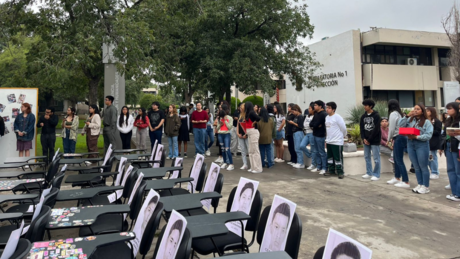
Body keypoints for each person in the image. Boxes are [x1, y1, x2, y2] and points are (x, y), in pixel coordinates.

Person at [399, 103, 433, 194]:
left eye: (418, 109)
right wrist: (406, 116)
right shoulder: (410, 120)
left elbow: (428, 135)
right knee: (416, 167)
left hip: (421, 145)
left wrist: (417, 137)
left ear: (422, 111)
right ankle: (420, 184)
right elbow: (400, 125)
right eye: (414, 109)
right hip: (410, 144)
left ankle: (425, 186)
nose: (415, 110)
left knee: (423, 166)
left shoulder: (426, 122)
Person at [386, 100, 409, 188]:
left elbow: (391, 128)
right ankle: (397, 177)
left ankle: (405, 181)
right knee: (396, 158)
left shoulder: (393, 114)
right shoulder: (400, 114)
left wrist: (388, 139)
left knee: (399, 160)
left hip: (398, 137)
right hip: (402, 136)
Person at [441, 102, 460, 201]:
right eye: (447, 108)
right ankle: (454, 192)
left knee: (458, 171)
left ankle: (458, 194)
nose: (448, 110)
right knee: (450, 170)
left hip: (456, 146)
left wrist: (455, 134)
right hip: (448, 145)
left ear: (456, 109)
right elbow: (444, 134)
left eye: (450, 108)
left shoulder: (458, 120)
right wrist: (441, 147)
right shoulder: (448, 120)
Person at [360, 99, 382, 181]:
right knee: (367, 157)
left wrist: (369, 139)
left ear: (371, 106)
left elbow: (376, 129)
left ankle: (376, 174)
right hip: (366, 140)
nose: (364, 107)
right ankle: (369, 172)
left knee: (376, 158)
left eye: (366, 105)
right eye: (364, 105)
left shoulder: (376, 115)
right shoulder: (363, 116)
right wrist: (363, 138)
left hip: (374, 140)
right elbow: (361, 128)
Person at [325, 102, 347, 179]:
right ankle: (331, 170)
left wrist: (343, 136)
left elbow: (343, 128)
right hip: (329, 141)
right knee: (330, 158)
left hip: (337, 142)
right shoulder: (327, 117)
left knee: (338, 158)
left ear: (333, 109)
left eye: (329, 108)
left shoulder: (337, 117)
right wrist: (326, 140)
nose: (327, 109)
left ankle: (340, 172)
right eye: (326, 107)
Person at [241, 102, 262, 173]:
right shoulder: (247, 113)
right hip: (249, 132)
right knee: (250, 151)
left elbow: (259, 118)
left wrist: (254, 122)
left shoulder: (252, 113)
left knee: (255, 150)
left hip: (253, 132)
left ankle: (257, 168)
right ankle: (253, 167)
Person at [309, 100, 328, 174]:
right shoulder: (316, 114)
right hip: (314, 134)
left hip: (320, 135)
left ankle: (324, 167)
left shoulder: (324, 114)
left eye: (316, 105)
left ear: (320, 106)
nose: (314, 106)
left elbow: (318, 124)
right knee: (316, 152)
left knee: (321, 152)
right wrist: (315, 125)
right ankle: (318, 166)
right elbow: (311, 124)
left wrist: (316, 125)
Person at [426, 107, 442, 180]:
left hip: (433, 142)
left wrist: (429, 131)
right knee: (429, 158)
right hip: (426, 141)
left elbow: (438, 132)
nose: (426, 112)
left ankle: (435, 172)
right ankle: (432, 171)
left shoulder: (436, 121)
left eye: (428, 111)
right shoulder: (425, 121)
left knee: (433, 157)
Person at [300, 103, 316, 170]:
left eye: (310, 108)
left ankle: (313, 164)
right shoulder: (307, 116)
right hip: (307, 133)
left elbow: (312, 125)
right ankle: (310, 155)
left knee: (313, 149)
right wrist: (309, 126)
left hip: (312, 133)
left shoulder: (315, 116)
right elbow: (305, 124)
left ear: (313, 109)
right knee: (302, 145)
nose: (308, 109)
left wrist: (309, 126)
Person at [237, 103, 250, 170]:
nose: (240, 109)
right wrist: (237, 133)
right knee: (243, 150)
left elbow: (249, 126)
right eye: (240, 108)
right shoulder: (240, 116)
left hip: (246, 135)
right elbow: (238, 125)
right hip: (240, 135)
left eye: (241, 108)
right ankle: (245, 164)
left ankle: (252, 164)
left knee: (249, 149)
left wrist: (246, 134)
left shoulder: (247, 115)